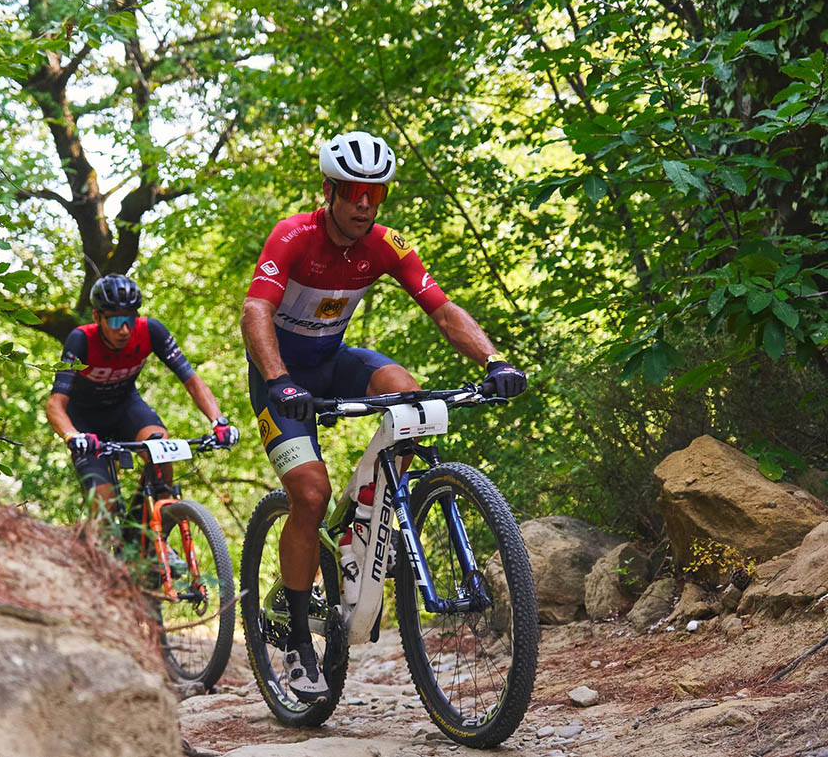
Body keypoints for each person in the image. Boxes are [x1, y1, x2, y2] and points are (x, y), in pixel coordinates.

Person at [239, 130, 527, 703]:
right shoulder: (293, 236)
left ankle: (374, 520)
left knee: (409, 395)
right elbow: (255, 312)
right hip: (281, 380)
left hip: (334, 364)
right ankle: (296, 641)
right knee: (310, 495)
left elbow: (443, 310)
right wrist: (277, 380)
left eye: (376, 193)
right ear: (329, 192)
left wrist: (494, 361)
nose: (365, 204)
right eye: (353, 192)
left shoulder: (386, 243)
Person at [47, 273, 238, 529]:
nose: (124, 329)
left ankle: (150, 535)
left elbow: (192, 381)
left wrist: (219, 422)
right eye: (115, 320)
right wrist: (72, 436)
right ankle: (96, 550)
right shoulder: (81, 340)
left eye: (130, 319)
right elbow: (55, 403)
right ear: (96, 317)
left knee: (161, 450)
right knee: (105, 506)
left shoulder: (150, 331)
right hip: (84, 422)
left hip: (125, 409)